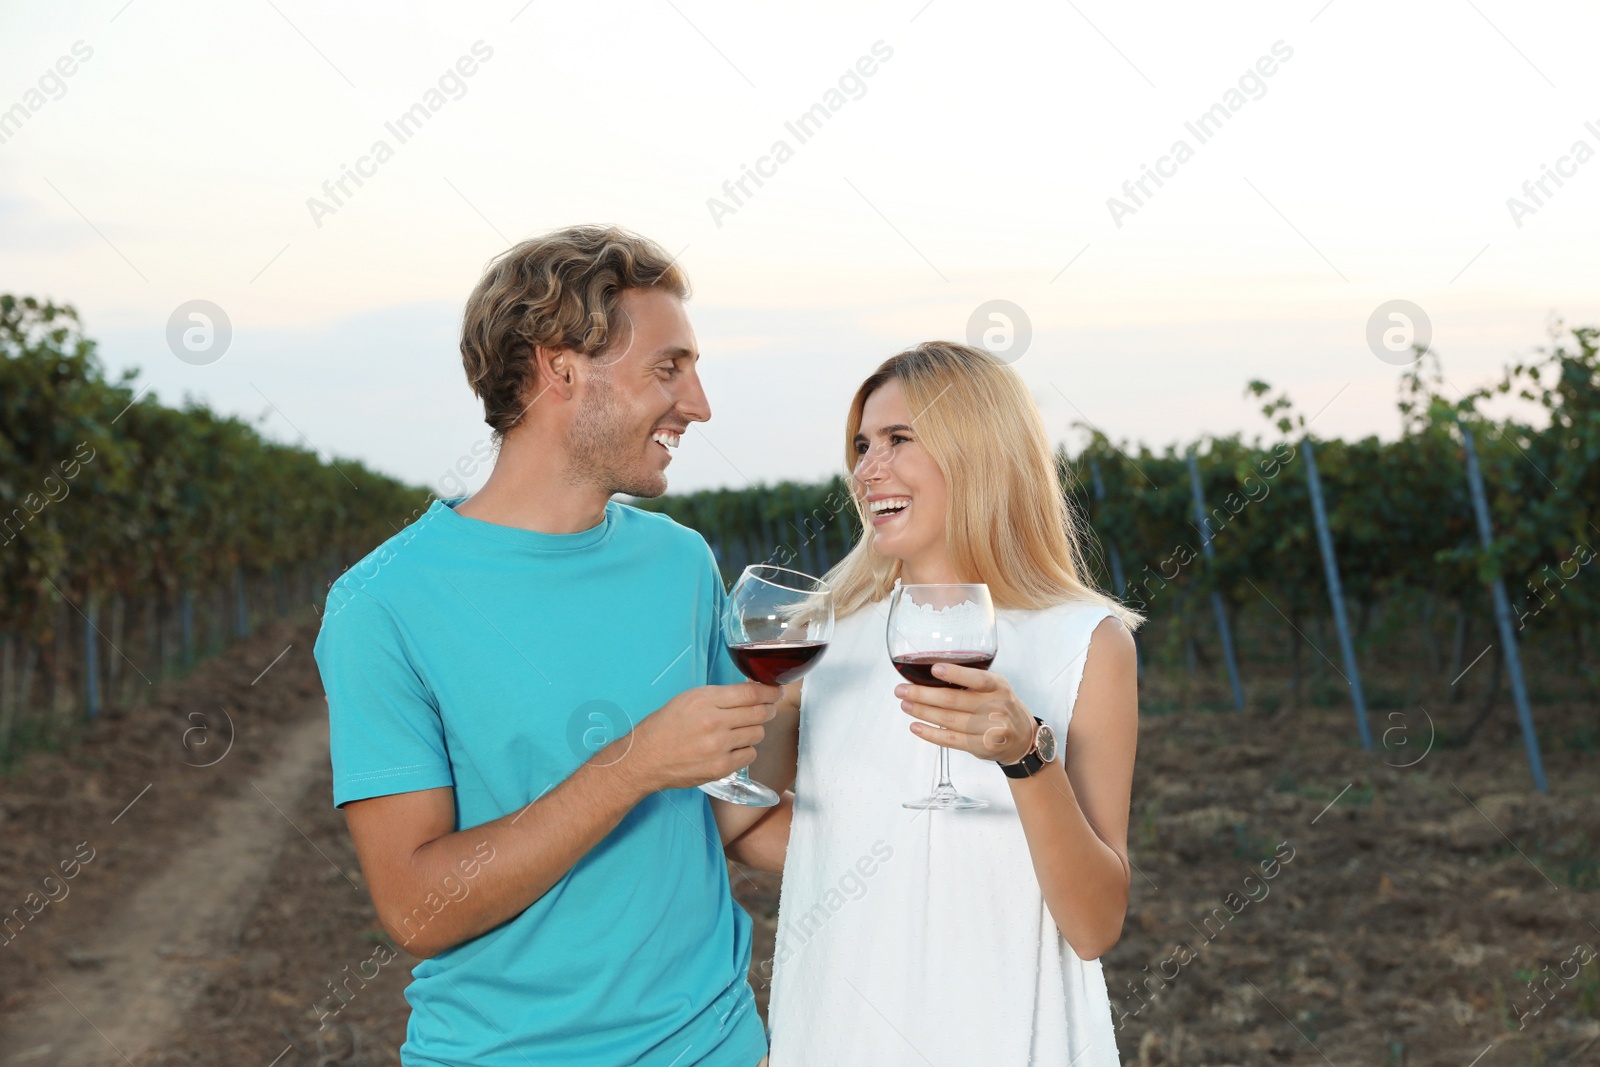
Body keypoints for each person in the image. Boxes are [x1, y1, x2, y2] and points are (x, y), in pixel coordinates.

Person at [312, 225, 779, 1067]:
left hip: (720, 1046)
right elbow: (417, 906)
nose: (699, 403)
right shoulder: (381, 605)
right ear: (561, 368)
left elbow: (736, 816)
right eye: (668, 367)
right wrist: (633, 764)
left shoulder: (679, 559)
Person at [740, 341, 1143, 1065]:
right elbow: (761, 830)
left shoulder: (1087, 642)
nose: (867, 469)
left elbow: (1093, 923)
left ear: (980, 451)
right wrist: (765, 705)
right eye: (862, 445)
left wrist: (1027, 757)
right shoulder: (822, 639)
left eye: (898, 440)